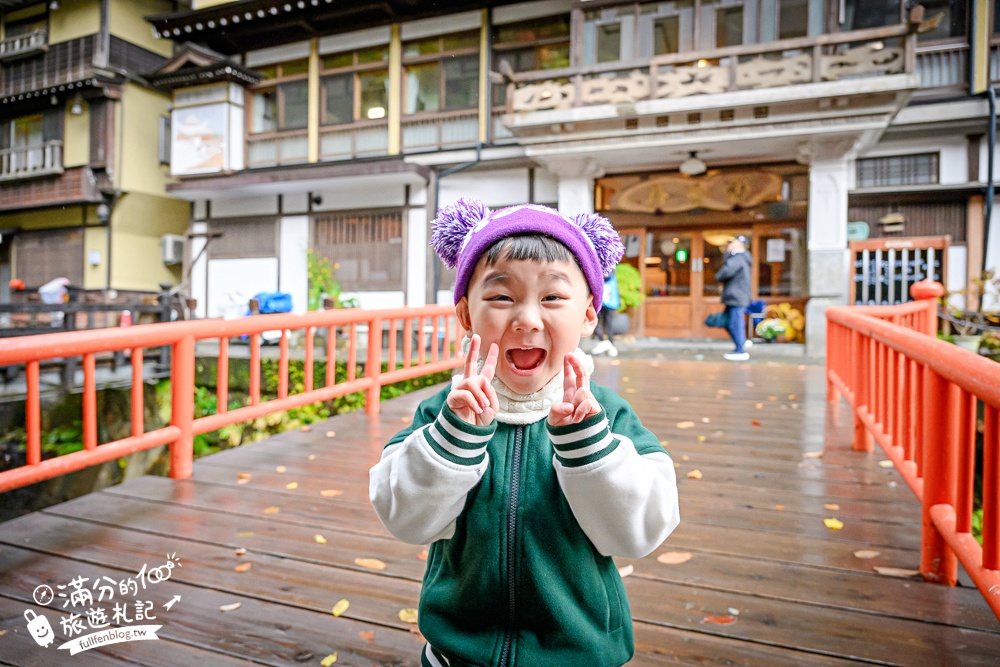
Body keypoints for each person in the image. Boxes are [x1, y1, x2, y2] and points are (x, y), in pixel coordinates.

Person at [370, 200, 680, 667]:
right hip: (457, 652)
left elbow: (639, 534)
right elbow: (405, 519)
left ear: (589, 315)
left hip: (580, 653)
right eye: (500, 297)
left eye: (553, 298)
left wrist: (590, 448)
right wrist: (452, 442)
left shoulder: (608, 416)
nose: (528, 319)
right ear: (466, 315)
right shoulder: (445, 413)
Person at [714, 235, 753, 361]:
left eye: (733, 243)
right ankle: (741, 342)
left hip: (736, 296)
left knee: (735, 323)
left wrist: (728, 256)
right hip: (736, 296)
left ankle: (740, 349)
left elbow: (724, 273)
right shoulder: (742, 257)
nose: (729, 245)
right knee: (727, 322)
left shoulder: (737, 257)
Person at [592, 270, 620, 357]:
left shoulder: (609, 266)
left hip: (607, 299)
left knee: (607, 324)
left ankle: (610, 344)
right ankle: (603, 341)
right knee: (595, 320)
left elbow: (608, 275)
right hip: (601, 299)